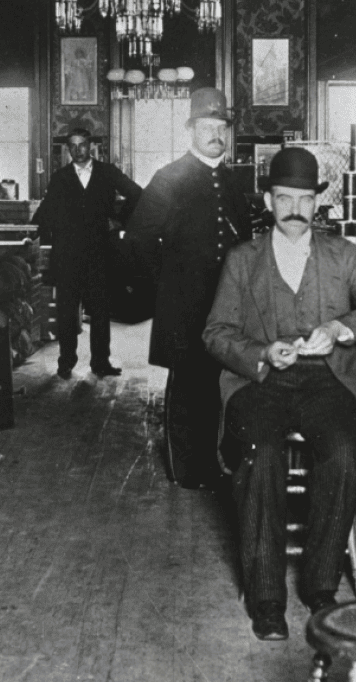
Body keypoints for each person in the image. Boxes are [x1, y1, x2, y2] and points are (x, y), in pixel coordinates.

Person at [203, 148, 356, 640]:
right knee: (263, 452)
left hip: (326, 379)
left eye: (305, 200)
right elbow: (215, 333)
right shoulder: (243, 260)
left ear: (319, 203)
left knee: (340, 451)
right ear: (269, 201)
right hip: (260, 381)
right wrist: (263, 352)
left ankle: (321, 587)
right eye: (284, 198)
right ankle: (267, 598)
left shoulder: (341, 256)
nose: (295, 209)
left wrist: (339, 328)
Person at [124, 88, 252, 489]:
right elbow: (138, 241)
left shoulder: (233, 182)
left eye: (221, 127)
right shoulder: (169, 178)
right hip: (184, 303)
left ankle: (218, 462)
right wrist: (166, 284)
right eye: (207, 126)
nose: (216, 134)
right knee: (187, 387)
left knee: (223, 381)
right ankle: (187, 470)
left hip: (229, 305)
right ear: (191, 131)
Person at [34, 126, 142, 378]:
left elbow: (137, 194)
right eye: (72, 146)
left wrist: (118, 220)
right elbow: (47, 212)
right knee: (66, 311)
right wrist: (33, 232)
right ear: (67, 149)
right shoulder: (60, 177)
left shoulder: (107, 172)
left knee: (100, 311)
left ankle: (100, 363)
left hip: (99, 254)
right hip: (68, 254)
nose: (77, 150)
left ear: (91, 146)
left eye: (82, 145)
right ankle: (66, 361)